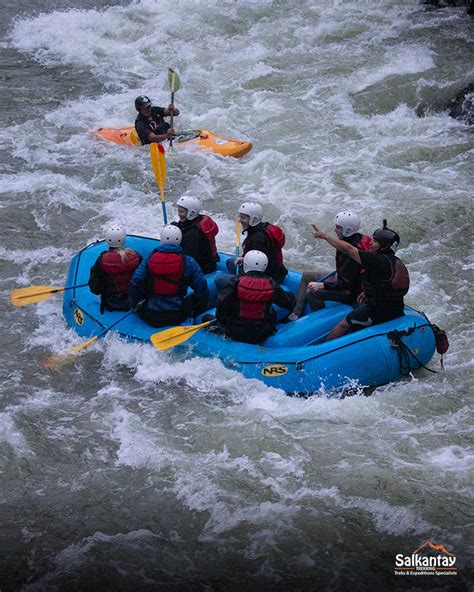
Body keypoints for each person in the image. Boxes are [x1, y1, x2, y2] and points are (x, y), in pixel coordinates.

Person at [311, 220, 410, 341]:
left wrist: (325, 236)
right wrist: (368, 292)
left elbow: (348, 249)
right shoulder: (395, 260)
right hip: (397, 308)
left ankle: (323, 350)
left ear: (383, 246)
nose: (370, 243)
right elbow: (385, 283)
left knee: (343, 324)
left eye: (374, 241)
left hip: (378, 310)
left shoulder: (375, 260)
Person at [287, 211, 371, 321]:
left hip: (351, 291)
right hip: (345, 277)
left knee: (312, 292)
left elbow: (344, 284)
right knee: (307, 275)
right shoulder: (356, 238)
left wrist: (322, 285)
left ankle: (319, 318)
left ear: (347, 230)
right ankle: (297, 311)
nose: (335, 230)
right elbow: (341, 246)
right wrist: (324, 236)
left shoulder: (351, 256)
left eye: (338, 227)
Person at [128, 225, 209, 328]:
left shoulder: (150, 258)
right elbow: (201, 288)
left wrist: (136, 304)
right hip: (178, 315)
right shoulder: (188, 261)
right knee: (193, 297)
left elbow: (135, 282)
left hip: (150, 315)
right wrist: (199, 308)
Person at [215, 250, 295, 345]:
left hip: (234, 331)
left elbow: (221, 303)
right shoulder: (271, 284)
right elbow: (287, 303)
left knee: (206, 318)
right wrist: (293, 298)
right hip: (262, 333)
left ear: (246, 264)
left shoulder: (235, 282)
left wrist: (222, 322)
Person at [88, 224, 142, 313]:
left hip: (113, 303)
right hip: (136, 301)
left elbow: (94, 288)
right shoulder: (135, 256)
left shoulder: (102, 260)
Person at [171, 196, 220, 274]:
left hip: (203, 268)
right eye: (178, 211)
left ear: (191, 213)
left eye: (181, 211)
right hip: (209, 261)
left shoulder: (192, 235)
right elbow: (184, 227)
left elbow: (188, 260)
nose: (178, 214)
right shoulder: (197, 219)